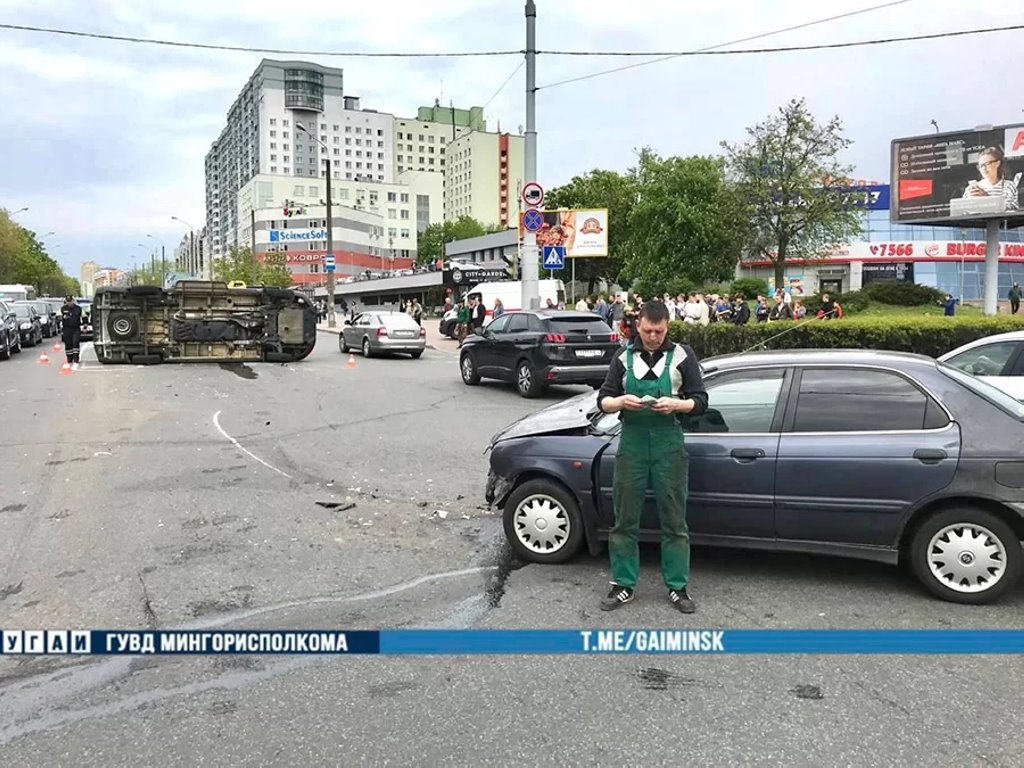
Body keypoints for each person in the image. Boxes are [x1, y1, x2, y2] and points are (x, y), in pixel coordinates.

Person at [596, 300, 708, 614]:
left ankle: (677, 586)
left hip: (668, 445)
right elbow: (602, 399)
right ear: (638, 325)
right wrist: (619, 402)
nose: (653, 336)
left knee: (674, 519)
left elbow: (701, 400)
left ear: (667, 327)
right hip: (631, 444)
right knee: (624, 518)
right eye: (647, 330)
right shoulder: (623, 356)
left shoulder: (683, 356)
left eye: (659, 331)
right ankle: (623, 584)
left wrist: (677, 405)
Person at [962, 146, 1019, 212]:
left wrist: (987, 199)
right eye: (981, 166)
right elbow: (963, 211)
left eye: (987, 164)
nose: (984, 168)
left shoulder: (1008, 186)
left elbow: (1013, 208)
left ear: (998, 163)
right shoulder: (971, 189)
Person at [60, 296, 82, 368]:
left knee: (75, 342)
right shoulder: (63, 308)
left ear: (73, 301)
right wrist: (62, 318)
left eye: (70, 301)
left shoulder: (78, 308)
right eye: (68, 301)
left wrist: (85, 324)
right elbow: (59, 317)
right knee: (68, 343)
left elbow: (83, 316)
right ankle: (69, 358)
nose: (69, 303)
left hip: (76, 328)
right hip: (66, 329)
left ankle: (76, 358)